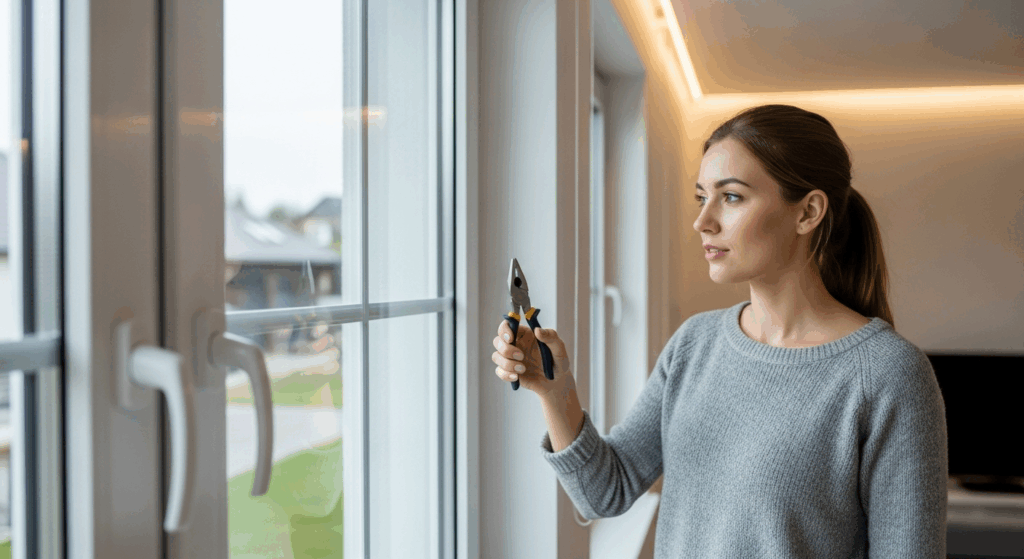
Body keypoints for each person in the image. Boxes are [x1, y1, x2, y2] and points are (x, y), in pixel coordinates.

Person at [491, 104, 948, 558]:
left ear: (808, 212)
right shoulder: (694, 344)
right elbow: (605, 492)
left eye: (730, 197)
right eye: (701, 198)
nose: (703, 221)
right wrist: (556, 392)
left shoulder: (888, 374)